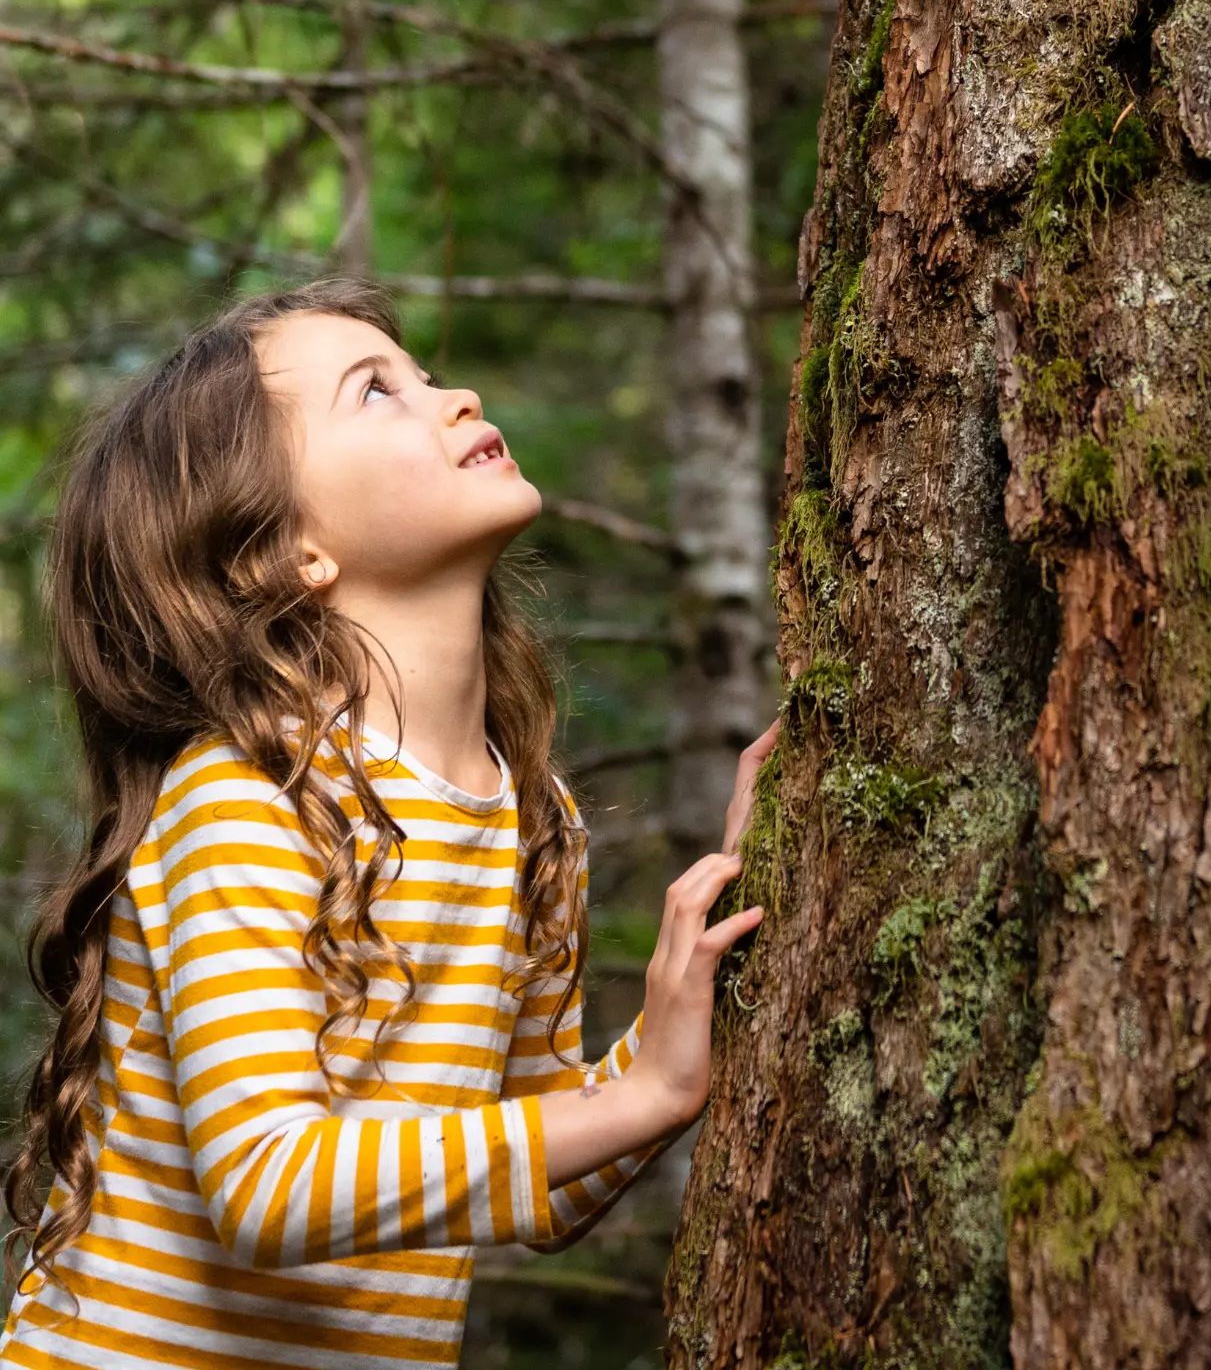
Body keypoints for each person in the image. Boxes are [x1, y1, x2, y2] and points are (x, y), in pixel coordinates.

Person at [0, 278, 776, 1369]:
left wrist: (733, 927)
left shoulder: (532, 814)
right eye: (376, 391)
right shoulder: (245, 794)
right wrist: (648, 1089)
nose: (451, 395)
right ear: (283, 552)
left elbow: (542, 1173)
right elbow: (269, 1188)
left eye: (423, 373)